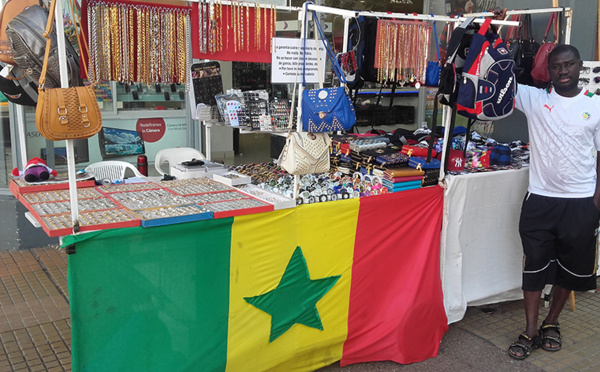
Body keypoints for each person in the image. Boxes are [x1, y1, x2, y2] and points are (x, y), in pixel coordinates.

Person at [508, 44, 600, 360]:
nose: (563, 71)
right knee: (533, 266)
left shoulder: (596, 106)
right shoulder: (535, 99)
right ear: (549, 68)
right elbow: (495, 80)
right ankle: (530, 329)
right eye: (557, 66)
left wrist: (595, 204)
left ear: (578, 67)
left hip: (580, 202)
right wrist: (488, 33)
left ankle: (552, 322)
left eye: (569, 65)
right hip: (540, 200)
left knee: (571, 269)